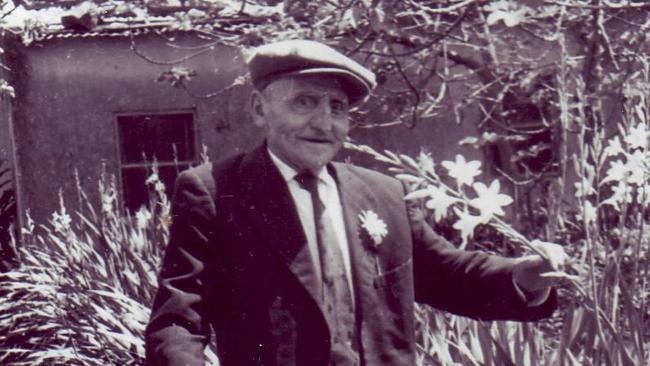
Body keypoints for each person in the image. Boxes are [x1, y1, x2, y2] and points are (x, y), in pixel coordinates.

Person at [145, 39, 567, 366]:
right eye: (304, 102)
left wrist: (523, 276)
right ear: (260, 109)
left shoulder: (385, 195)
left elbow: (447, 274)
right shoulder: (216, 191)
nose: (324, 123)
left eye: (337, 107)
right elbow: (179, 319)